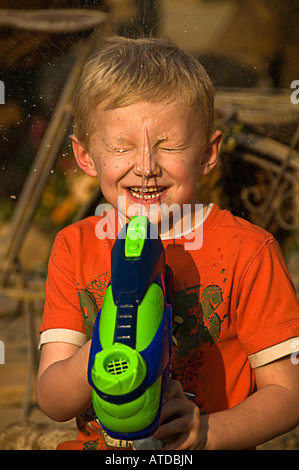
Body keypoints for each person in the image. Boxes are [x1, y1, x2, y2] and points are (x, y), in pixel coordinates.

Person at [36, 36, 299, 450]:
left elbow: (287, 395)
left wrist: (207, 433)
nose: (145, 167)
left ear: (208, 153)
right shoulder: (74, 246)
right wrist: (105, 350)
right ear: (85, 156)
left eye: (170, 146)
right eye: (121, 147)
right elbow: (51, 398)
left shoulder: (248, 251)